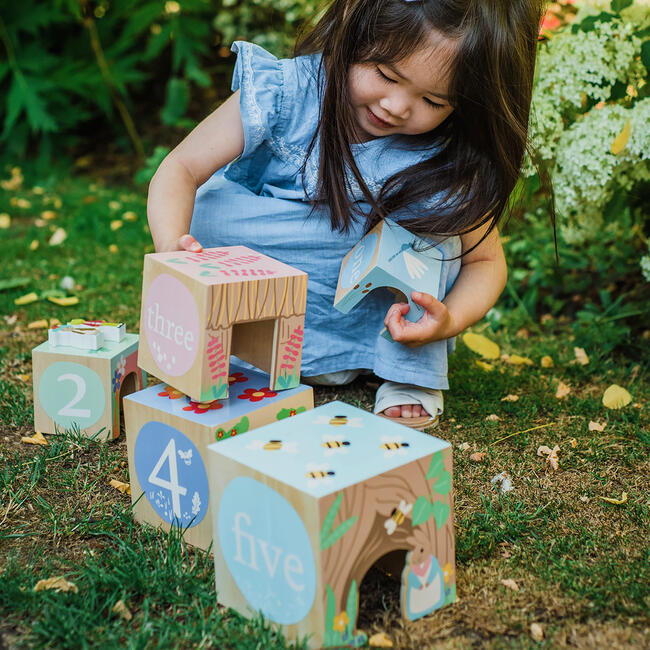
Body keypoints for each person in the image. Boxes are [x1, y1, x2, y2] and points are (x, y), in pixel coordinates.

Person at [147, 0, 544, 429]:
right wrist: (173, 249)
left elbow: (486, 262)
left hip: (371, 325)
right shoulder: (286, 91)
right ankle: (239, 342)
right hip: (265, 288)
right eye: (386, 74)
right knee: (210, 207)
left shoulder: (445, 160)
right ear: (353, 27)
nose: (396, 106)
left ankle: (406, 375)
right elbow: (180, 169)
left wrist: (449, 320)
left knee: (437, 238)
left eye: (432, 100)